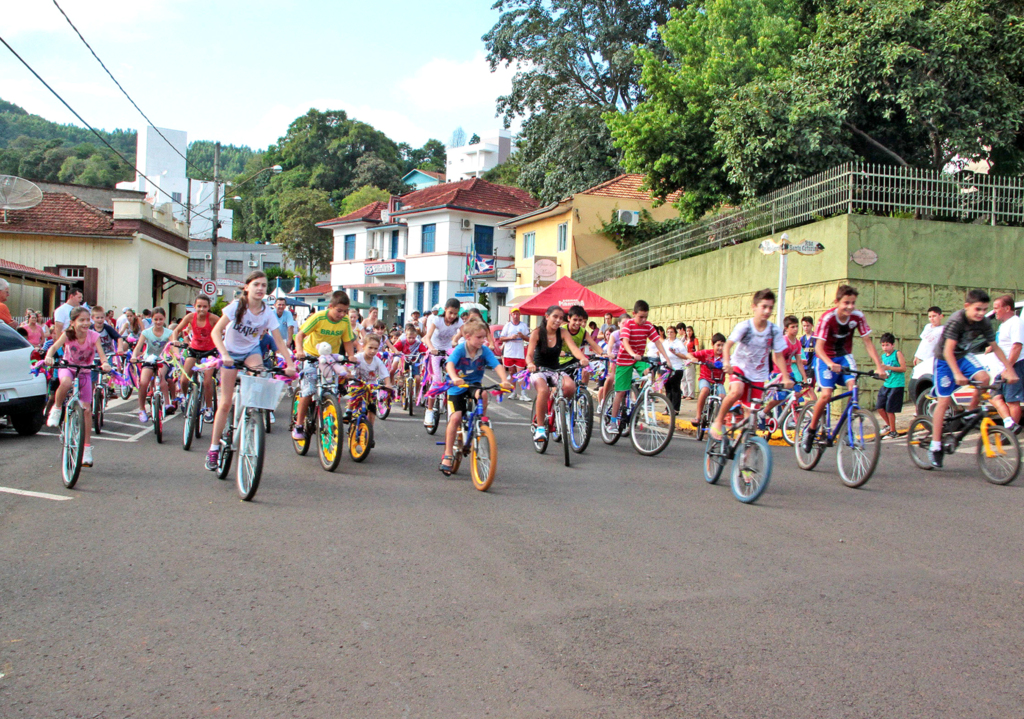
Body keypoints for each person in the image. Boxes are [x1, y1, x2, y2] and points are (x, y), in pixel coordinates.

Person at [207, 271, 296, 469]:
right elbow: (215, 331)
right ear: (247, 287)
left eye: (264, 285)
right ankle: (213, 448)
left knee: (260, 374)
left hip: (250, 351)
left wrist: (290, 364)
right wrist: (224, 355)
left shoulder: (267, 313)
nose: (260, 288)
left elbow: (279, 340)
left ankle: (250, 413)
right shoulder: (238, 306)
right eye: (256, 284)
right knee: (225, 402)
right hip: (230, 351)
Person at [929, 289, 1019, 469]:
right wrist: (957, 374)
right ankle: (935, 445)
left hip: (963, 356)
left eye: (984, 310)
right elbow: (948, 351)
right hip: (945, 360)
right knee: (944, 401)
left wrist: (1010, 370)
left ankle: (971, 412)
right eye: (977, 309)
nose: (981, 313)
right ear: (967, 307)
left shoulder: (984, 322)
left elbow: (996, 347)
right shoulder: (957, 320)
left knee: (984, 378)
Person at [801, 285, 888, 454]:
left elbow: (867, 342)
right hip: (825, 358)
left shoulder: (858, 317)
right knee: (826, 395)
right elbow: (818, 348)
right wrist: (829, 363)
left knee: (853, 388)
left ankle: (848, 430)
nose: (850, 306)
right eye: (846, 303)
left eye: (853, 303)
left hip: (844, 357)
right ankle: (811, 431)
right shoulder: (828, 318)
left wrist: (878, 366)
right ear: (837, 302)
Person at [710, 290, 794, 439]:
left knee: (752, 416)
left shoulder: (774, 330)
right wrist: (727, 363)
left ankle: (747, 454)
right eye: (764, 306)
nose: (767, 311)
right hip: (739, 366)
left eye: (770, 307)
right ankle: (717, 421)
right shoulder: (746, 327)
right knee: (737, 391)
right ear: (754, 307)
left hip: (758, 373)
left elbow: (779, 355)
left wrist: (786, 377)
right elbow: (728, 345)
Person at [438, 319, 513, 475]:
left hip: (473, 385)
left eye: (484, 337)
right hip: (456, 388)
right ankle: (448, 454)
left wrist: (504, 380)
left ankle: (480, 422)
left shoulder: (484, 350)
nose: (483, 340)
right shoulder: (460, 349)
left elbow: (497, 365)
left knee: (484, 393)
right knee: (456, 418)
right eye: (479, 337)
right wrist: (454, 377)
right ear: (467, 337)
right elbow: (449, 364)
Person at [44, 306, 111, 468]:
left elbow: (102, 356)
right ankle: (57, 407)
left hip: (85, 372)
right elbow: (53, 347)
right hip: (68, 368)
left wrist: (105, 363)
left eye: (88, 320)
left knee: (87, 409)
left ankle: (86, 449)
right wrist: (48, 356)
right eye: (81, 320)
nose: (86, 323)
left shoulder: (94, 336)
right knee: (65, 383)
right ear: (72, 322)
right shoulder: (68, 335)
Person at [292, 290, 356, 440]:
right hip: (311, 356)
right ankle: (299, 425)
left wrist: (351, 356)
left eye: (345, 311)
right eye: (339, 311)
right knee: (309, 390)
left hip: (330, 359)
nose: (342, 314)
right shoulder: (318, 317)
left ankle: (328, 410)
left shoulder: (345, 321)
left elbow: (347, 340)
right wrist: (300, 351)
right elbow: (300, 335)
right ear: (330, 306)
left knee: (332, 388)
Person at [526, 305, 591, 441]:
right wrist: (530, 364)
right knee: (543, 390)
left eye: (561, 318)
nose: (558, 320)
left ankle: (557, 409)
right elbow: (529, 354)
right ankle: (540, 428)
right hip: (539, 370)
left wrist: (582, 358)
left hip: (556, 370)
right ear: (547, 316)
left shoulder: (562, 333)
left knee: (570, 386)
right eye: (555, 316)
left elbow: (574, 348)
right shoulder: (537, 333)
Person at [608, 300, 670, 433]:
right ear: (634, 313)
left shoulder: (648, 326)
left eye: (646, 317)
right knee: (621, 391)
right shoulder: (628, 325)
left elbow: (657, 342)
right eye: (641, 317)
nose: (643, 320)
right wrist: (632, 354)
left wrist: (666, 359)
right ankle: (612, 422)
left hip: (639, 359)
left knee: (649, 372)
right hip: (625, 359)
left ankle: (645, 396)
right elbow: (624, 342)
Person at [170, 295, 221, 423]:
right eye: (199, 306)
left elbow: (228, 328)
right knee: (184, 379)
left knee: (207, 381)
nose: (201, 309)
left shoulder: (214, 318)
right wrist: (175, 340)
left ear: (209, 307)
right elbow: (176, 330)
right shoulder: (190, 317)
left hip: (210, 352)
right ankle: (184, 397)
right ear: (194, 306)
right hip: (194, 350)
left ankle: (209, 408)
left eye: (205, 306)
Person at [422, 298, 463, 428]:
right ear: (445, 309)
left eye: (455, 314)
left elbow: (465, 332)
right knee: (437, 380)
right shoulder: (437, 320)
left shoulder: (458, 321)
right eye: (450, 312)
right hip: (435, 350)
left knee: (454, 377)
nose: (452, 316)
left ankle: (451, 406)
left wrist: (456, 339)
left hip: (448, 350)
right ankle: (429, 411)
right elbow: (427, 337)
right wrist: (431, 348)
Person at [133, 307, 176, 423]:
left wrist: (177, 355)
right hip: (149, 360)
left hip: (163, 360)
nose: (158, 322)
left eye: (160, 319)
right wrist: (134, 356)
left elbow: (173, 344)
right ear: (152, 319)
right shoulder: (146, 332)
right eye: (155, 319)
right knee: (143, 382)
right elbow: (138, 347)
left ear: (164, 319)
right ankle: (142, 409)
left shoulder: (169, 333)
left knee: (162, 380)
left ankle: (167, 404)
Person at [990, 294, 1024, 423]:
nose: (994, 311)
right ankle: (1009, 425)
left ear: (1007, 308)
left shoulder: (1016, 323)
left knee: (1012, 401)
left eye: (997, 308)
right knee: (994, 396)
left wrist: (1008, 368)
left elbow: (1016, 347)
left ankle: (1011, 435)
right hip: (1003, 368)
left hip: (1014, 366)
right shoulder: (1004, 324)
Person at [681, 333, 727, 425]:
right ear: (712, 344)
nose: (720, 348)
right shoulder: (706, 353)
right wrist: (693, 358)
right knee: (705, 390)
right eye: (718, 345)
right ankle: (698, 416)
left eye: (723, 345)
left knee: (723, 398)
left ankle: (720, 419)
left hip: (718, 382)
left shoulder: (726, 357)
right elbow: (689, 354)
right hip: (705, 379)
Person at [352, 333, 392, 432]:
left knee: (372, 409)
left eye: (375, 348)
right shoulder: (358, 358)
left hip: (371, 387)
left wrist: (388, 384)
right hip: (358, 385)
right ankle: (351, 417)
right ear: (363, 346)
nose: (373, 351)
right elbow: (349, 367)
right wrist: (349, 374)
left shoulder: (377, 361)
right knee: (355, 402)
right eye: (370, 348)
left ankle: (370, 430)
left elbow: (385, 373)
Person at [560, 305, 604, 384]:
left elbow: (593, 344)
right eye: (575, 320)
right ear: (569, 318)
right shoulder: (562, 330)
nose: (577, 323)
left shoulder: (583, 332)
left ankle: (583, 391)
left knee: (584, 372)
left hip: (573, 360)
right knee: (560, 388)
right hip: (559, 362)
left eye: (580, 320)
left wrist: (603, 353)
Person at [876, 332, 907, 440]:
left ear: (892, 345)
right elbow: (885, 372)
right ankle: (889, 425)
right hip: (887, 383)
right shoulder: (883, 356)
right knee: (880, 406)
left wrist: (889, 367)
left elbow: (903, 368)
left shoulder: (897, 353)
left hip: (897, 384)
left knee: (890, 409)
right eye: (883, 345)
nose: (885, 347)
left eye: (887, 345)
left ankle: (893, 431)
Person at [498, 308, 531, 401]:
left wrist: (522, 336)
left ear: (520, 315)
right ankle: (513, 392)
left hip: (519, 353)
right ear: (511, 315)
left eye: (517, 314)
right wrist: (510, 337)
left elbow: (529, 339)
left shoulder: (523, 325)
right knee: (512, 373)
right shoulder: (508, 326)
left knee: (521, 374)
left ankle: (523, 393)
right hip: (509, 353)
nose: (516, 316)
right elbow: (501, 338)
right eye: (514, 314)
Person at [664, 325, 688, 411]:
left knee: (675, 388)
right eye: (668, 332)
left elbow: (685, 356)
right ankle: (668, 408)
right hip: (666, 368)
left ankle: (675, 408)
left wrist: (675, 353)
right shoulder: (665, 342)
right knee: (668, 389)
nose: (670, 334)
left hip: (676, 368)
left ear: (675, 333)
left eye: (671, 332)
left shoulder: (678, 343)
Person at [799, 316, 816, 388]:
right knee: (803, 389)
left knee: (809, 389)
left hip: (812, 368)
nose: (806, 328)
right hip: (803, 368)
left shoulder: (815, 338)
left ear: (812, 325)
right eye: (804, 326)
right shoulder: (802, 339)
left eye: (808, 326)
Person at [683, 325, 700, 399]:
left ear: (692, 332)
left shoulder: (694, 340)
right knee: (683, 377)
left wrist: (693, 357)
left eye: (690, 331)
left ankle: (691, 394)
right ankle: (685, 393)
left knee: (689, 377)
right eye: (687, 331)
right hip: (683, 358)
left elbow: (697, 350)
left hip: (690, 359)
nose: (688, 332)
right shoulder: (685, 340)